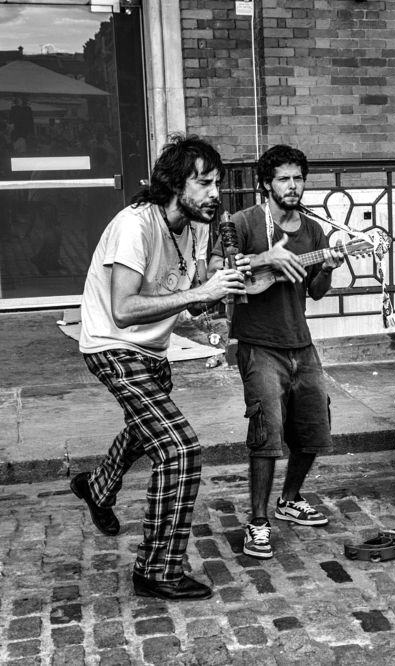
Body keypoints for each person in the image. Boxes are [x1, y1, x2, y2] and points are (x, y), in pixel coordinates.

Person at [71, 133, 246, 600]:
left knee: (145, 428)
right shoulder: (135, 225)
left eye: (218, 184)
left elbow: (183, 303)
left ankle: (97, 486)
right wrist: (199, 294)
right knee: (179, 448)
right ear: (174, 184)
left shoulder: (196, 226)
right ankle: (157, 568)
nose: (215, 194)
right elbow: (125, 308)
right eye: (205, 183)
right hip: (112, 343)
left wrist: (217, 292)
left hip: (152, 350)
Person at [208, 144, 344, 560]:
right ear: (266, 183)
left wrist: (329, 264)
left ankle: (290, 498)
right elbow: (216, 270)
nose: (292, 186)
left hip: (301, 343)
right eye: (283, 178)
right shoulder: (242, 222)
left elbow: (317, 292)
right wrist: (263, 257)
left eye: (298, 178)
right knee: (266, 432)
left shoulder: (313, 229)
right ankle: (258, 520)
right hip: (259, 345)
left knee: (314, 425)